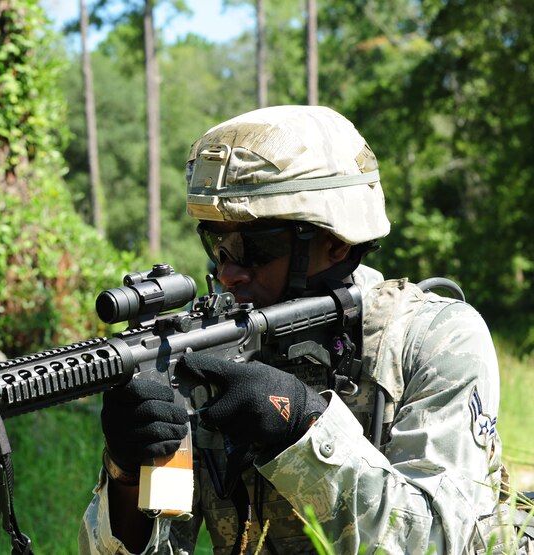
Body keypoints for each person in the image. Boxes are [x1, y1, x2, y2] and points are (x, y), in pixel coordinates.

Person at [78, 105, 525, 554]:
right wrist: (126, 475)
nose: (229, 271)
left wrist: (304, 426)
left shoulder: (433, 338)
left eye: (253, 246)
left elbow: (440, 542)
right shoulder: (205, 348)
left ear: (335, 240)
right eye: (217, 244)